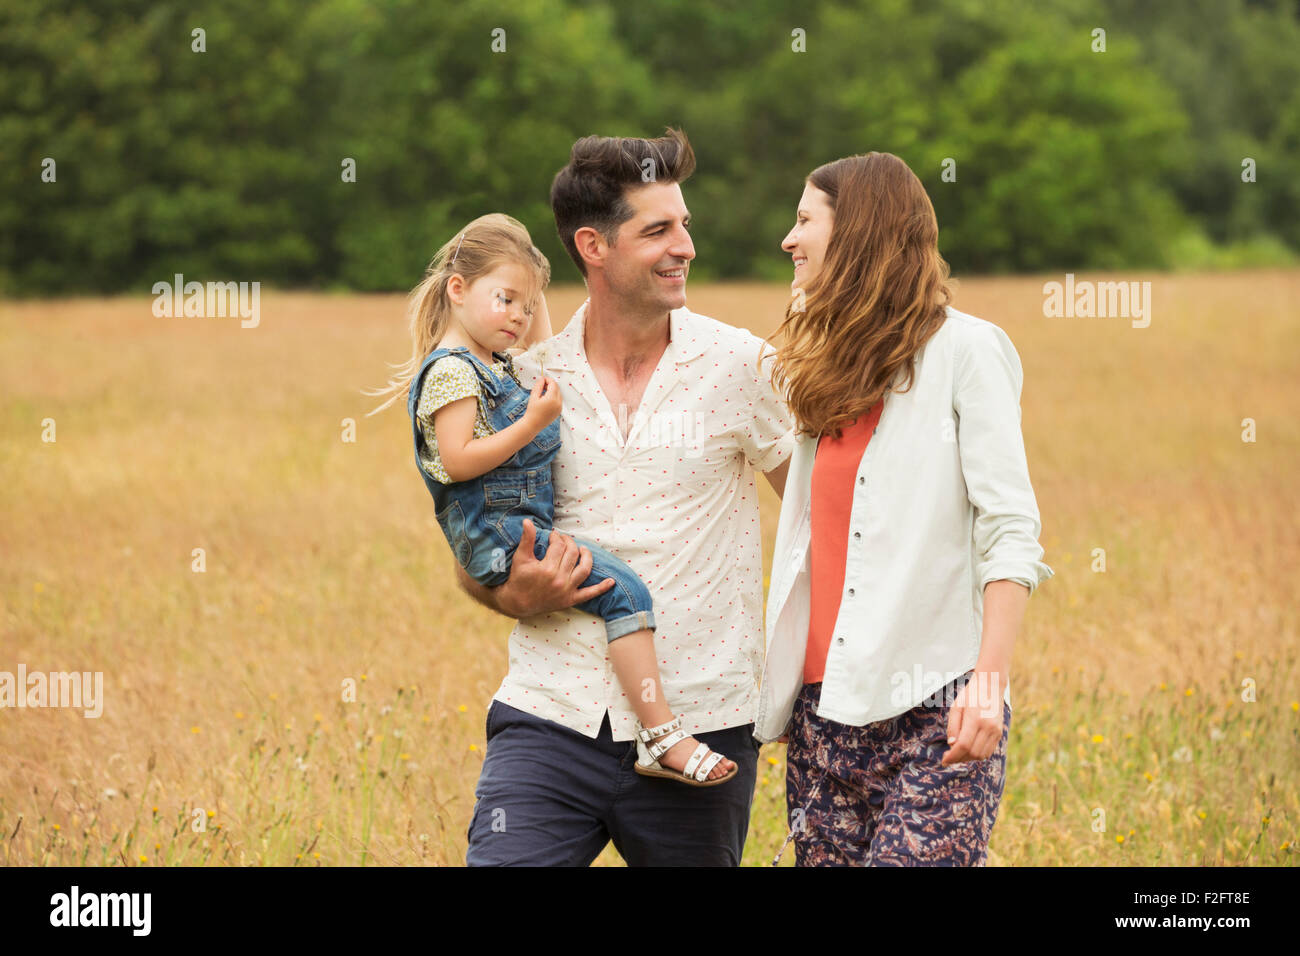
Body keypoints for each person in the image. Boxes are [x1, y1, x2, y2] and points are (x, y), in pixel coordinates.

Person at [452, 129, 796, 866]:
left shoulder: (741, 365)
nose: (685, 247)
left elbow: (821, 519)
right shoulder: (523, 382)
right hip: (551, 713)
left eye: (686, 226)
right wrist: (509, 596)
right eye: (658, 230)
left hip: (703, 724)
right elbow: (472, 540)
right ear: (593, 246)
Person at [754, 151, 1053, 866]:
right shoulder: (824, 364)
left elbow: (1010, 529)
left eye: (804, 222)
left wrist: (989, 686)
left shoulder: (968, 351)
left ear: (857, 232)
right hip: (824, 712)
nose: (788, 241)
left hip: (937, 708)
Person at [372, 212, 736, 786]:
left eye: (527, 302)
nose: (518, 316)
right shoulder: (452, 373)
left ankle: (650, 731)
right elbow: (458, 458)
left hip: (513, 525)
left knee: (619, 590)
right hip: (498, 534)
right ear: (458, 290)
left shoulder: (496, 363)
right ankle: (661, 734)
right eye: (505, 299)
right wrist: (534, 421)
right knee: (627, 591)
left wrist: (525, 255)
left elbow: (544, 341)